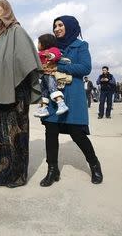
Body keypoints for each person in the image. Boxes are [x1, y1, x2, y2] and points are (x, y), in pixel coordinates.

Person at [0, 0, 42, 188]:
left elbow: (28, 59)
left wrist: (9, 72)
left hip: (13, 89)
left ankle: (16, 173)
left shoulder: (16, 31)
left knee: (13, 131)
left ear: (6, 9)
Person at [39, 15, 103, 187]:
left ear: (70, 26)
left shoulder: (80, 46)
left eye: (60, 25)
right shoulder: (51, 48)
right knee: (50, 131)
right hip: (54, 95)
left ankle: (94, 163)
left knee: (77, 132)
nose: (57, 29)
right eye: (54, 26)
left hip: (73, 95)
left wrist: (58, 67)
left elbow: (85, 67)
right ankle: (52, 170)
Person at [33, 33, 69, 117]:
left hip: (50, 74)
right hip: (43, 76)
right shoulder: (40, 53)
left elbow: (56, 55)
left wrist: (49, 55)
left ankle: (61, 104)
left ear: (45, 43)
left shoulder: (53, 49)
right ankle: (44, 108)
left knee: (52, 88)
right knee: (43, 92)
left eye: (39, 42)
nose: (38, 45)